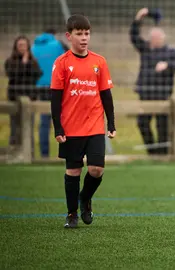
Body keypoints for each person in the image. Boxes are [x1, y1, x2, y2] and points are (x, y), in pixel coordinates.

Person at [50, 14, 116, 228]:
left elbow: (106, 95)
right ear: (69, 36)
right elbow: (55, 99)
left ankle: (85, 198)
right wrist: (58, 127)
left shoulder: (99, 62)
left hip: (95, 125)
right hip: (71, 127)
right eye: (79, 34)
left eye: (87, 33)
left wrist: (112, 123)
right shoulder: (61, 63)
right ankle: (71, 214)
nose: (84, 38)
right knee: (73, 171)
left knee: (96, 169)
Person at [130, 8, 175, 155]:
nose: (154, 40)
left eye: (157, 38)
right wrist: (138, 19)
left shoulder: (171, 52)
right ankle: (152, 151)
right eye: (152, 38)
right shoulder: (146, 49)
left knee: (162, 126)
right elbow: (134, 37)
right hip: (146, 94)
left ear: (163, 38)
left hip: (163, 94)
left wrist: (168, 65)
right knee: (142, 123)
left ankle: (163, 153)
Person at [31, 28, 68, 158]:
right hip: (57, 86)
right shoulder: (58, 45)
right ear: (54, 34)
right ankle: (66, 152)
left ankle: (44, 154)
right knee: (64, 120)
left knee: (44, 121)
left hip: (39, 87)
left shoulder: (33, 47)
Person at [4, 36, 42, 148]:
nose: (22, 47)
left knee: (28, 127)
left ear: (28, 47)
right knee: (15, 127)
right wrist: (23, 63)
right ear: (16, 46)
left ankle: (29, 152)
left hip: (29, 97)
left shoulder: (33, 61)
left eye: (24, 45)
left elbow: (37, 75)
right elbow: (13, 75)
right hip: (15, 98)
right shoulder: (10, 61)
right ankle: (14, 152)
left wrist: (27, 63)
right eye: (20, 45)